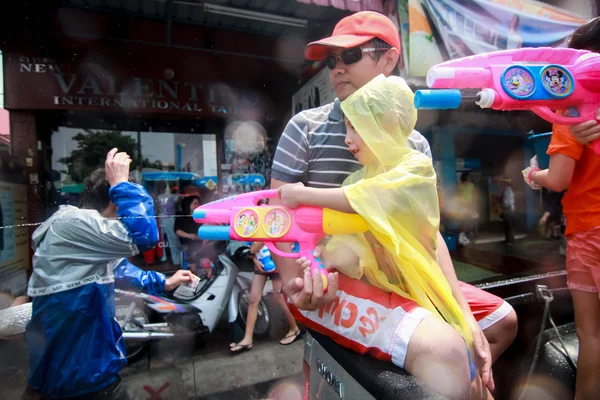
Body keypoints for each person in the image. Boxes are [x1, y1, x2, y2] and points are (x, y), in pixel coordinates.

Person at [269, 11, 517, 392]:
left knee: (500, 322)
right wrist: (293, 287)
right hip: (333, 277)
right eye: (331, 60)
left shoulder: (413, 145)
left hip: (397, 269)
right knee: (447, 348)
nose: (336, 69)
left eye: (350, 56)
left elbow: (425, 233)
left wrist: (463, 312)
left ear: (389, 59)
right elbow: (277, 216)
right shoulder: (305, 127)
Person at [280, 74, 487, 398]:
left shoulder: (414, 167)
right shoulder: (357, 177)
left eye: (357, 127)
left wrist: (305, 193)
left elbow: (366, 199)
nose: (348, 138)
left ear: (388, 124)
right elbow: (350, 237)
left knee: (466, 372)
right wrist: (321, 261)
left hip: (422, 288)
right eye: (346, 127)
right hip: (388, 290)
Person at [23, 149, 194, 400]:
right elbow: (145, 236)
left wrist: (164, 282)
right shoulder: (75, 223)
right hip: (79, 381)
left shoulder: (81, 232)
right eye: (122, 211)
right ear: (115, 203)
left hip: (88, 373)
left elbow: (118, 268)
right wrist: (122, 185)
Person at [522, 17, 600, 400]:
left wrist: (534, 174)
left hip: (587, 234)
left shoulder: (571, 106)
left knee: (591, 336)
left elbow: (561, 179)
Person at [229, 241, 303, 353]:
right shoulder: (251, 226)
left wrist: (250, 252)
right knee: (253, 299)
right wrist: (254, 259)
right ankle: (247, 338)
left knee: (280, 297)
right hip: (260, 266)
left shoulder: (266, 224)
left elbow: (262, 241)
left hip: (277, 264)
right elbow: (252, 247)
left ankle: (294, 329)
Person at [500, 178, 516, 244]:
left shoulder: (508, 190)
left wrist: (503, 205)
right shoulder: (507, 189)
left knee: (508, 225)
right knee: (507, 225)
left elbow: (508, 201)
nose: (502, 184)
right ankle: (508, 239)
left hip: (508, 209)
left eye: (503, 182)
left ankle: (510, 240)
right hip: (508, 209)